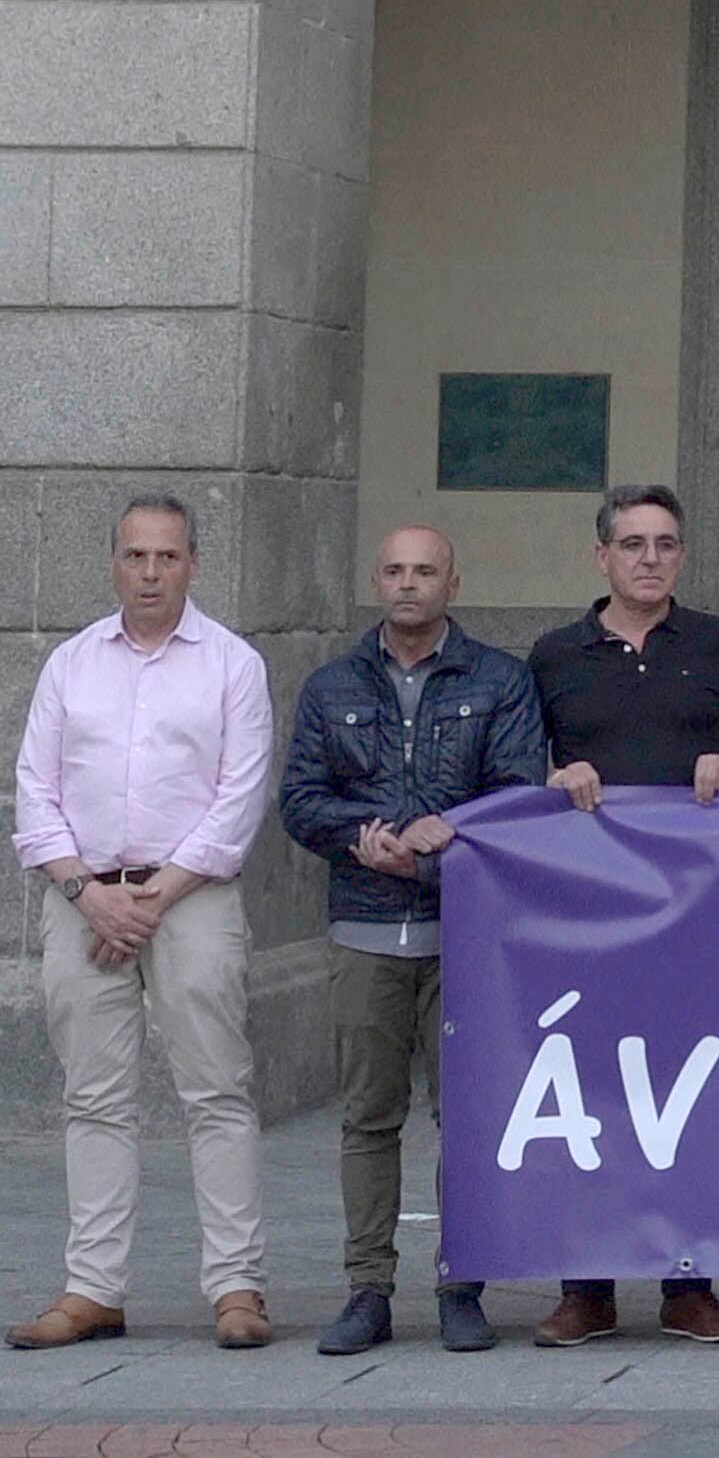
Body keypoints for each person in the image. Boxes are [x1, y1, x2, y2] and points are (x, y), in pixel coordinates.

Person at [10, 498, 277, 1355]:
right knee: (93, 1098)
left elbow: (240, 797)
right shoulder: (71, 664)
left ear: (195, 562)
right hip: (83, 898)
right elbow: (34, 792)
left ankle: (237, 1284)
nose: (151, 572)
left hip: (190, 897)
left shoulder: (232, 664)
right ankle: (93, 1288)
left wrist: (152, 896)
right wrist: (91, 892)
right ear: (114, 563)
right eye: (135, 555)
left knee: (217, 1090)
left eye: (167, 556)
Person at [275, 524, 548, 1357]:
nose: (407, 583)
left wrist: (441, 838)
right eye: (394, 569)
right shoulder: (331, 685)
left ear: (452, 582)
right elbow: (299, 797)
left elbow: (517, 790)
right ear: (375, 580)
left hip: (465, 931)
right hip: (363, 927)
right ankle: (368, 1287)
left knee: (464, 1114)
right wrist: (363, 833)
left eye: (424, 570)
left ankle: (461, 1283)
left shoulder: (499, 679)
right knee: (367, 1115)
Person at [523, 484, 719, 1348]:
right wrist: (554, 778)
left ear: (681, 556)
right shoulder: (553, 654)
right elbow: (521, 765)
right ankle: (588, 1285)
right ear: (601, 557)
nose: (649, 557)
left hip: (695, 904)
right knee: (594, 1091)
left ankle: (687, 1279)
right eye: (632, 543)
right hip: (590, 906)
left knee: (687, 1090)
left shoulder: (716, 642)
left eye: (664, 543)